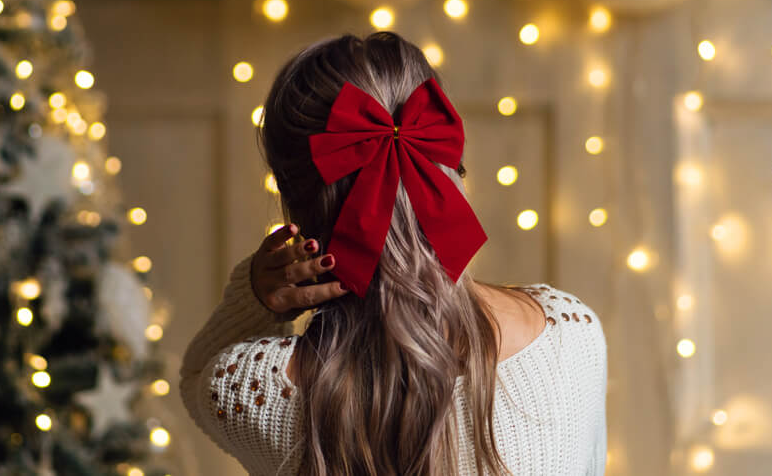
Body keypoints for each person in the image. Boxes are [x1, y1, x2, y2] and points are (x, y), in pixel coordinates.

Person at [179, 32, 607, 475]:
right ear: (447, 157)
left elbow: (193, 381)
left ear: (294, 198)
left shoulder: (249, 389)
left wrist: (252, 296)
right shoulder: (570, 332)